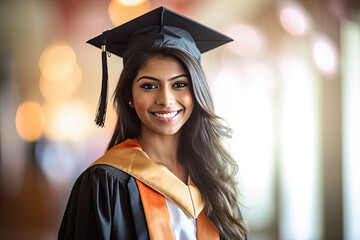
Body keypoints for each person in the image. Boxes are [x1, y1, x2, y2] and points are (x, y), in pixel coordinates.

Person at [58, 6, 248, 240]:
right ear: (129, 95)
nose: (166, 100)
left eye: (179, 84)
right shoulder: (103, 184)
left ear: (197, 92)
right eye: (149, 85)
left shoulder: (215, 180)